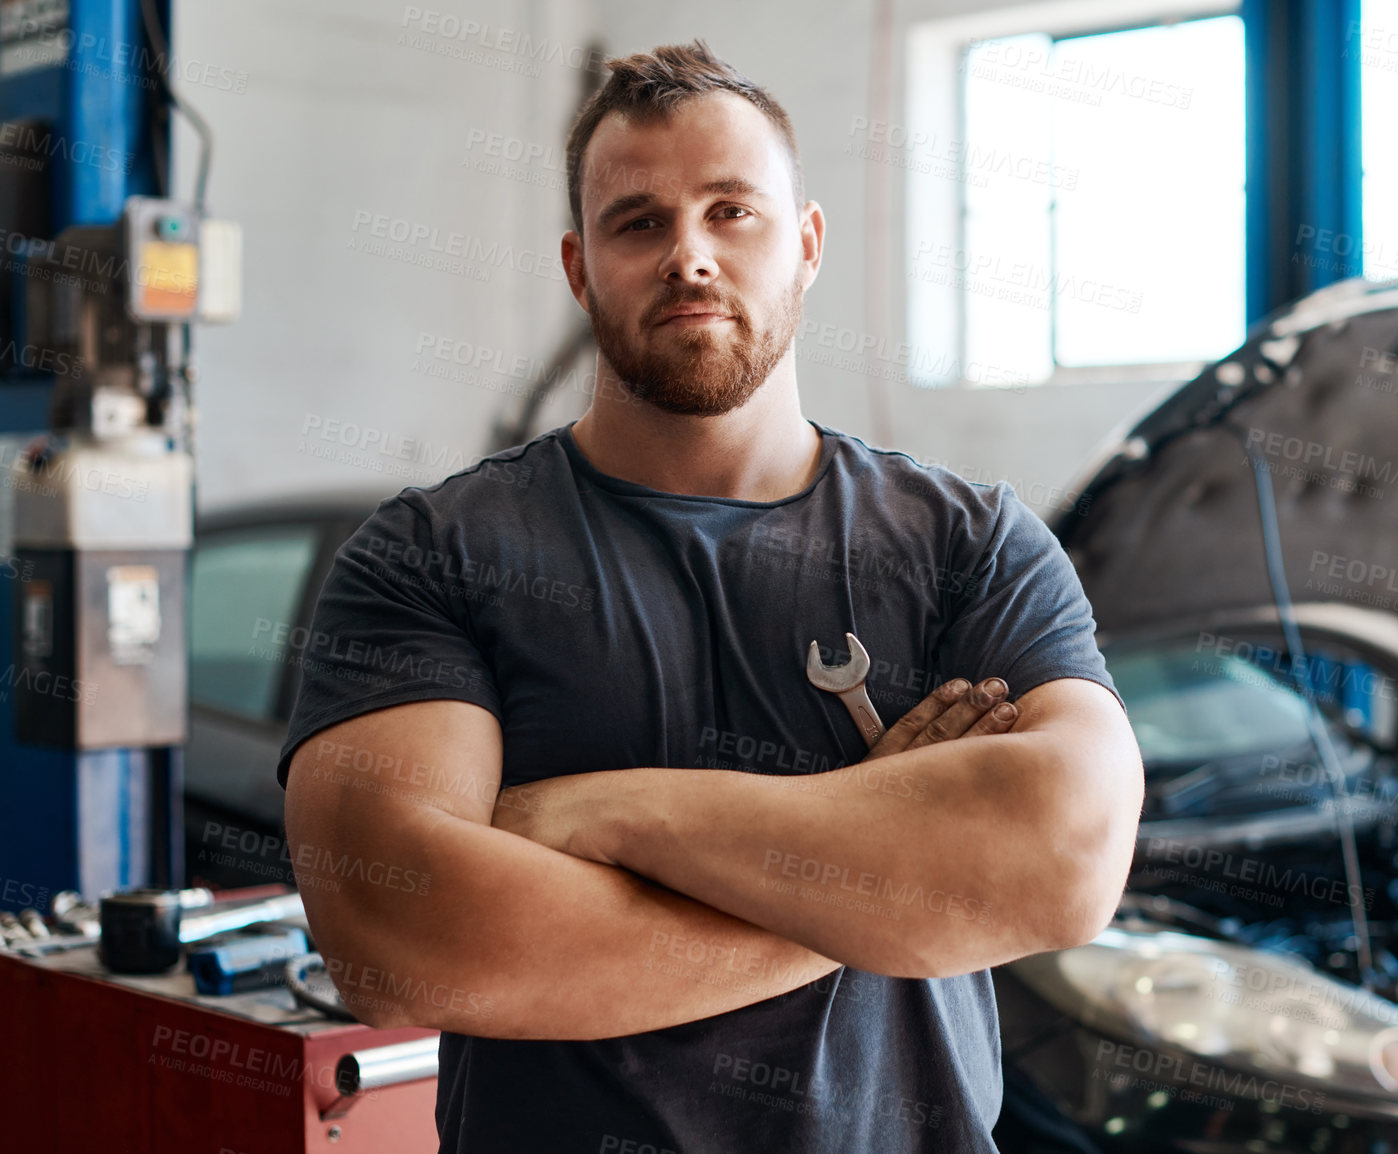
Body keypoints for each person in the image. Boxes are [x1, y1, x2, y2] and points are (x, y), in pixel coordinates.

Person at [280, 39, 1143, 1154]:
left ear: (808, 244)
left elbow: (1067, 859)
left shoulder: (966, 544)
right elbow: (401, 931)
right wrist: (892, 889)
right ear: (579, 267)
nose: (689, 255)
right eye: (638, 222)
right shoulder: (433, 554)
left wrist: (605, 813)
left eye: (733, 211)